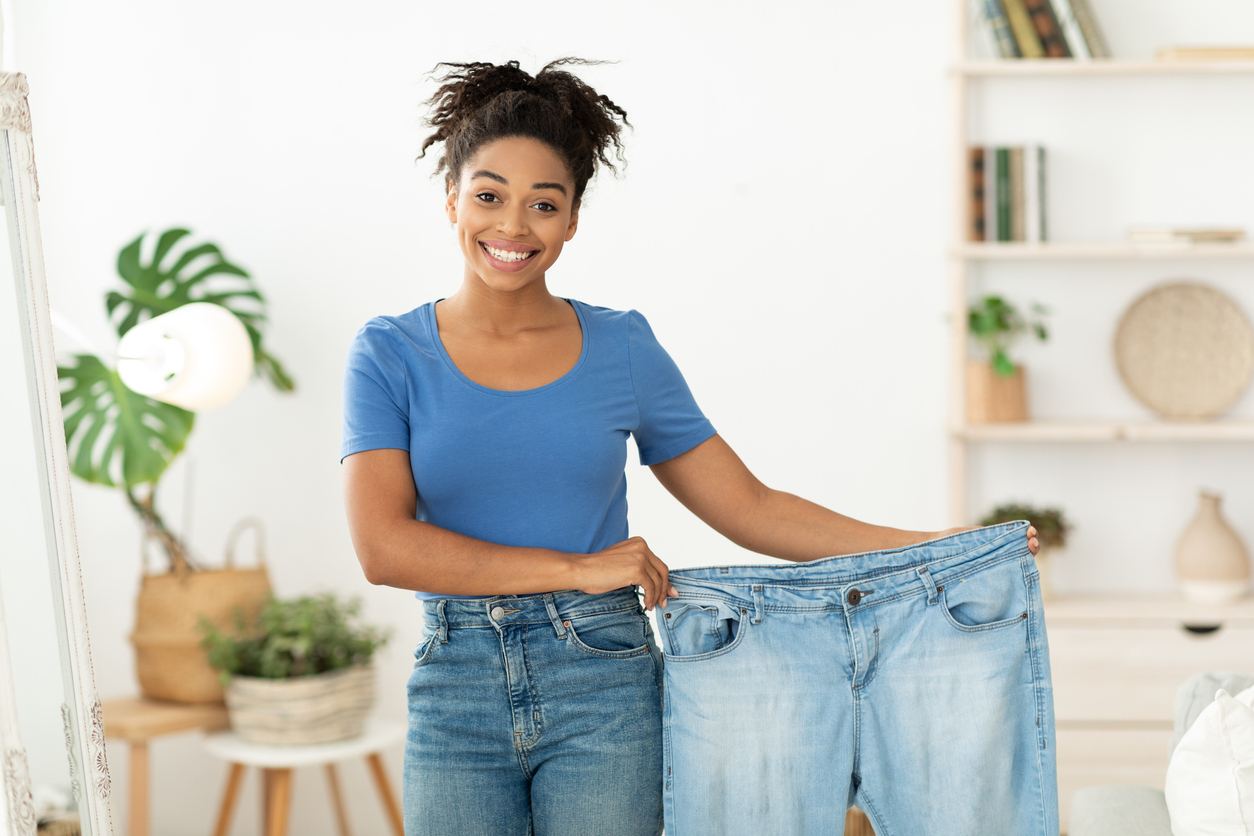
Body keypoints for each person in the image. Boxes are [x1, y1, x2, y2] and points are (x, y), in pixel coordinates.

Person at [339, 57, 1039, 836]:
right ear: (452, 201)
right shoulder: (389, 352)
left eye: (544, 203)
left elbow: (750, 506)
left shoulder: (621, 347)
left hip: (601, 682)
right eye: (489, 195)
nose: (511, 226)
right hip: (456, 681)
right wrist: (575, 568)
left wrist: (930, 549)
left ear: (571, 220)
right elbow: (384, 547)